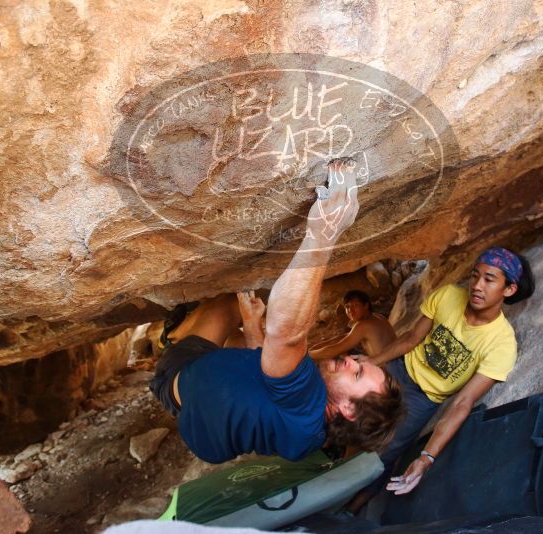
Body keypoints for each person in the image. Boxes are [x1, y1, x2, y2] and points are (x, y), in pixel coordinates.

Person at [149, 159, 404, 464]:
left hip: (180, 373)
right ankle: (233, 329)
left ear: (348, 410)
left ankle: (174, 334)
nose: (351, 360)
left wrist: (324, 233)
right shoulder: (311, 437)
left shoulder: (309, 401)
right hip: (202, 424)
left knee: (226, 304)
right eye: (359, 360)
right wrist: (253, 328)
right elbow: (273, 379)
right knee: (244, 319)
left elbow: (286, 334)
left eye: (358, 372)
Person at [347, 247, 535, 509]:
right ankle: (316, 481)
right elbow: (411, 339)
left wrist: (427, 457)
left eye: (489, 279)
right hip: (399, 371)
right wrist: (373, 361)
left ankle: (349, 511)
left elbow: (463, 402)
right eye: (475, 276)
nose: (477, 286)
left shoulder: (501, 344)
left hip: (423, 400)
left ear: (509, 290)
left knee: (380, 458)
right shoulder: (448, 296)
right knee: (346, 414)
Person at [309, 290, 397, 359]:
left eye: (355, 305)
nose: (350, 310)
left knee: (336, 357)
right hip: (393, 364)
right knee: (345, 351)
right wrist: (312, 349)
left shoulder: (363, 325)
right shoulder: (376, 317)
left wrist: (308, 355)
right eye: (347, 306)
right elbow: (343, 338)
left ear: (366, 306)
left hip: (388, 373)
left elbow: (332, 351)